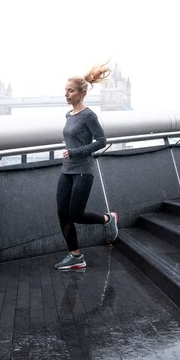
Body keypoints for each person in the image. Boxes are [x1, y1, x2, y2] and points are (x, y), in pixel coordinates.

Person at [54, 63, 119, 270]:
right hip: (67, 170)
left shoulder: (89, 115)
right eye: (65, 90)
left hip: (83, 171)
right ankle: (75, 256)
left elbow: (101, 141)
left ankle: (107, 219)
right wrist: (69, 153)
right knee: (62, 214)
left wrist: (74, 152)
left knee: (76, 214)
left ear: (81, 93)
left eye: (70, 90)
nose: (66, 94)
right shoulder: (68, 115)